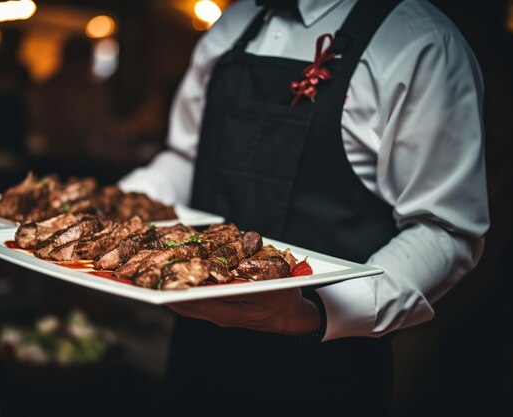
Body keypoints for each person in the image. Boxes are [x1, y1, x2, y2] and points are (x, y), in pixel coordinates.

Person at [118, 0, 489, 415]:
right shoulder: (233, 24)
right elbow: (187, 157)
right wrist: (109, 214)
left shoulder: (419, 42)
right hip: (195, 348)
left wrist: (315, 311)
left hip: (327, 368)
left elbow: (445, 229)